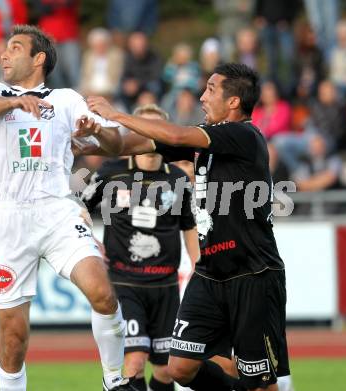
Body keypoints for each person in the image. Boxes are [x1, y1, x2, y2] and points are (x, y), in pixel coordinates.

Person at [84, 63, 290, 391]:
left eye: (210, 89)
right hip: (210, 274)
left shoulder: (243, 135)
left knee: (260, 383)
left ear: (234, 101)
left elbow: (176, 134)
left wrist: (117, 114)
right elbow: (138, 144)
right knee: (179, 367)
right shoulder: (206, 139)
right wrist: (82, 143)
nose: (202, 96)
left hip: (252, 274)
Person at [0, 24, 137, 391]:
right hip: (9, 218)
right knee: (13, 339)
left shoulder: (65, 98)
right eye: (5, 48)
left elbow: (112, 143)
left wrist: (96, 127)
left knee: (102, 293)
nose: (4, 54)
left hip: (57, 211)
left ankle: (114, 380)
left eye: (14, 48)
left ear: (38, 58)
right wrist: (16, 101)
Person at [81, 104, 200, 391]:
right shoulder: (111, 172)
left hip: (165, 285)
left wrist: (199, 267)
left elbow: (188, 225)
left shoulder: (178, 178)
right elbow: (77, 206)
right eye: (141, 128)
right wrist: (89, 238)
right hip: (124, 282)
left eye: (155, 129)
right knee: (134, 362)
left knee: (166, 370)